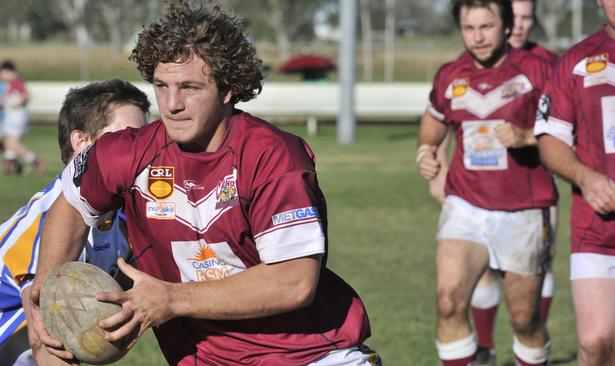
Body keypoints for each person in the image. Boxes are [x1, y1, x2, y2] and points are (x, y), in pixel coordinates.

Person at [29, 2, 379, 366]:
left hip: (309, 356)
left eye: (190, 87)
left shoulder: (274, 158)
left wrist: (171, 300)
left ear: (228, 89)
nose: (172, 104)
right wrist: (46, 289)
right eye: (161, 87)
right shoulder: (126, 152)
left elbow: (294, 282)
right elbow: (70, 204)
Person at [416, 0, 556, 365]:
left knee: (525, 320)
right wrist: (425, 152)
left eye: (486, 27)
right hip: (465, 205)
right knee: (448, 303)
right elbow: (432, 125)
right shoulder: (450, 75)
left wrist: (528, 137)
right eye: (469, 28)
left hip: (524, 210)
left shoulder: (539, 70)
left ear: (507, 26)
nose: (477, 37)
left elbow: (570, 133)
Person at [0, 78, 150, 366]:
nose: (140, 153)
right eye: (126, 138)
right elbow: (44, 341)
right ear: (82, 143)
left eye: (143, 140)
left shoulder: (122, 216)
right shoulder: (43, 224)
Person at [534, 0, 615, 364]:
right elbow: (550, 141)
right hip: (603, 233)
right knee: (596, 346)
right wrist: (586, 177)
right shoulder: (577, 61)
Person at [0, 61, 44, 176]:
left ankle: (35, 162)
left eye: (2, 73)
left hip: (17, 117)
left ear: (8, 71)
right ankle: (10, 166)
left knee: (13, 143)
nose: (1, 76)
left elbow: (26, 94)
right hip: (11, 116)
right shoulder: (11, 83)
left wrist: (19, 102)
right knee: (10, 142)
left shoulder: (17, 81)